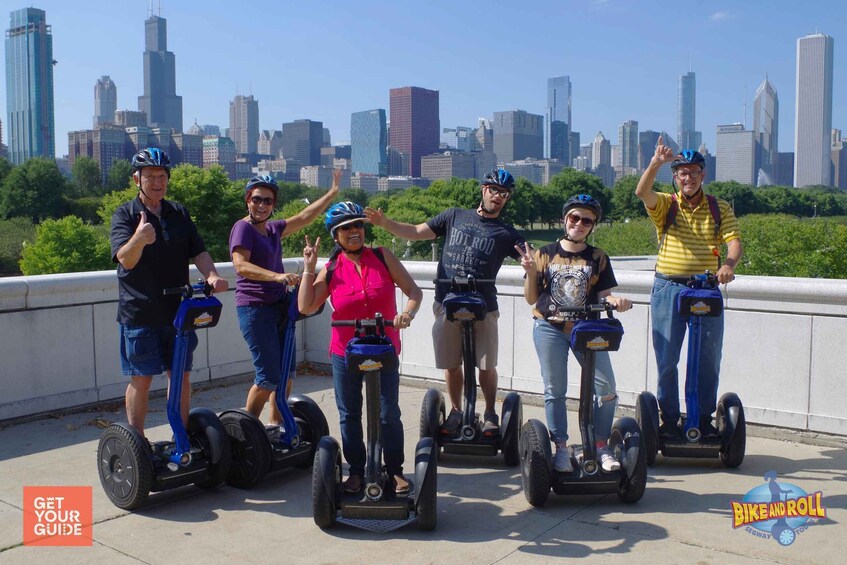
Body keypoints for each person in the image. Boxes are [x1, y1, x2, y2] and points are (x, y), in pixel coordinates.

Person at [365, 168, 526, 437]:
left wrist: (534, 265)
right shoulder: (454, 216)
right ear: (484, 190)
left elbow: (530, 260)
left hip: (484, 306)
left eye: (504, 194)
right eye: (494, 190)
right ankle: (456, 410)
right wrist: (386, 223)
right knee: (452, 364)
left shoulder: (507, 233)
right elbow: (416, 232)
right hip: (447, 302)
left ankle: (489, 414)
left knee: (486, 364)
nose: (498, 197)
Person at [298, 202, 423, 495]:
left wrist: (407, 313)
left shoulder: (382, 256)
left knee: (388, 412)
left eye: (358, 225)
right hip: (346, 352)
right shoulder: (330, 270)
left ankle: (393, 471)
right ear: (336, 235)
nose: (354, 232)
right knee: (349, 413)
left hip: (384, 348)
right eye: (346, 228)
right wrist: (307, 268)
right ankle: (356, 470)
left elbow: (414, 292)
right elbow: (305, 305)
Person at [111, 147, 228, 437]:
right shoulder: (125, 214)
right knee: (142, 378)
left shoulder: (178, 212)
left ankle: (181, 435)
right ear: (136, 179)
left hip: (178, 311)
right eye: (149, 176)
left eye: (161, 176)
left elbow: (197, 250)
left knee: (181, 376)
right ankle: (135, 442)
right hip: (140, 313)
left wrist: (211, 275)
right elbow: (125, 259)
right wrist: (138, 239)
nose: (157, 182)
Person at [635, 136, 743, 440]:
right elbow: (642, 192)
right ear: (676, 176)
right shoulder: (667, 204)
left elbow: (734, 242)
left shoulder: (718, 207)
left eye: (694, 172)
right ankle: (669, 420)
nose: (688, 178)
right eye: (682, 172)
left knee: (708, 358)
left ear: (703, 175)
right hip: (668, 287)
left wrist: (728, 266)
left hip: (707, 289)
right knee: (667, 358)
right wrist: (656, 162)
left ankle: (703, 418)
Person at [517, 195, 631, 472]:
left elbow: (606, 294)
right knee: (554, 389)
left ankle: (601, 445)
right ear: (565, 219)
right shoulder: (545, 253)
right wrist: (531, 272)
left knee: (606, 389)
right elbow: (532, 299)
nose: (579, 224)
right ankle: (561, 448)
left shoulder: (598, 257)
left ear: (593, 226)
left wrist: (617, 301)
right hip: (549, 327)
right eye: (574, 218)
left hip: (586, 330)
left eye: (586, 220)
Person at [229, 170, 340, 427]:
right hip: (255, 310)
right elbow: (241, 266)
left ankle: (274, 427)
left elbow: (305, 216)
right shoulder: (242, 228)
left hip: (280, 307)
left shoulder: (273, 229)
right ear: (248, 200)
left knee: (287, 375)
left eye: (267, 201)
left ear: (273, 204)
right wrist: (276, 276)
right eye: (257, 199)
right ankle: (246, 430)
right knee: (268, 376)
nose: (261, 205)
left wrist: (331, 194)